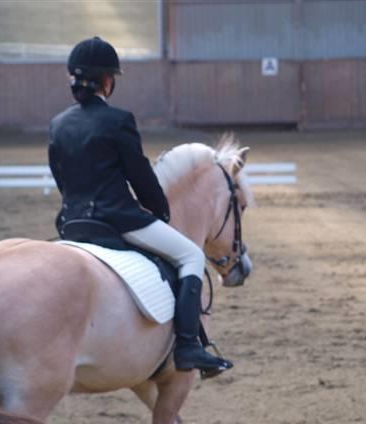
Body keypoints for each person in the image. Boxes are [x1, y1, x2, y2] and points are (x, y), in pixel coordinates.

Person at [48, 37, 232, 378]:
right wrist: (160, 212)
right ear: (107, 81)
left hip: (73, 223)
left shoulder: (58, 124)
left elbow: (62, 179)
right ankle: (189, 345)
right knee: (191, 256)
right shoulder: (118, 120)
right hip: (118, 220)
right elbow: (141, 177)